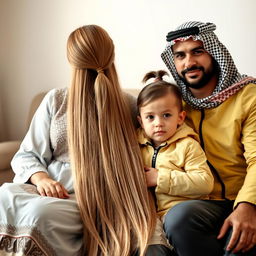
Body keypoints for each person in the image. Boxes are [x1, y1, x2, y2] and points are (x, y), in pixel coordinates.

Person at [0, 25, 162, 256]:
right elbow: (28, 154)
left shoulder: (130, 105)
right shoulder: (56, 100)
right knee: (5, 195)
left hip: (94, 200)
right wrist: (42, 178)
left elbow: (159, 149)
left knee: (39, 214)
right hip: (52, 191)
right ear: (112, 56)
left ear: (71, 60)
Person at [161, 21, 256, 256]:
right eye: (180, 55)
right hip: (204, 204)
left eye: (198, 52)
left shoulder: (248, 97)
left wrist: (248, 206)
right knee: (178, 218)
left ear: (215, 53)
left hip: (247, 199)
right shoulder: (173, 106)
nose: (189, 62)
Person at [136, 70, 213, 250]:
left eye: (166, 115)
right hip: (150, 220)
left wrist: (159, 178)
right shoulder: (134, 147)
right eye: (150, 117)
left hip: (180, 218)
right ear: (141, 121)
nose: (158, 123)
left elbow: (205, 183)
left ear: (180, 117)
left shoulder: (187, 145)